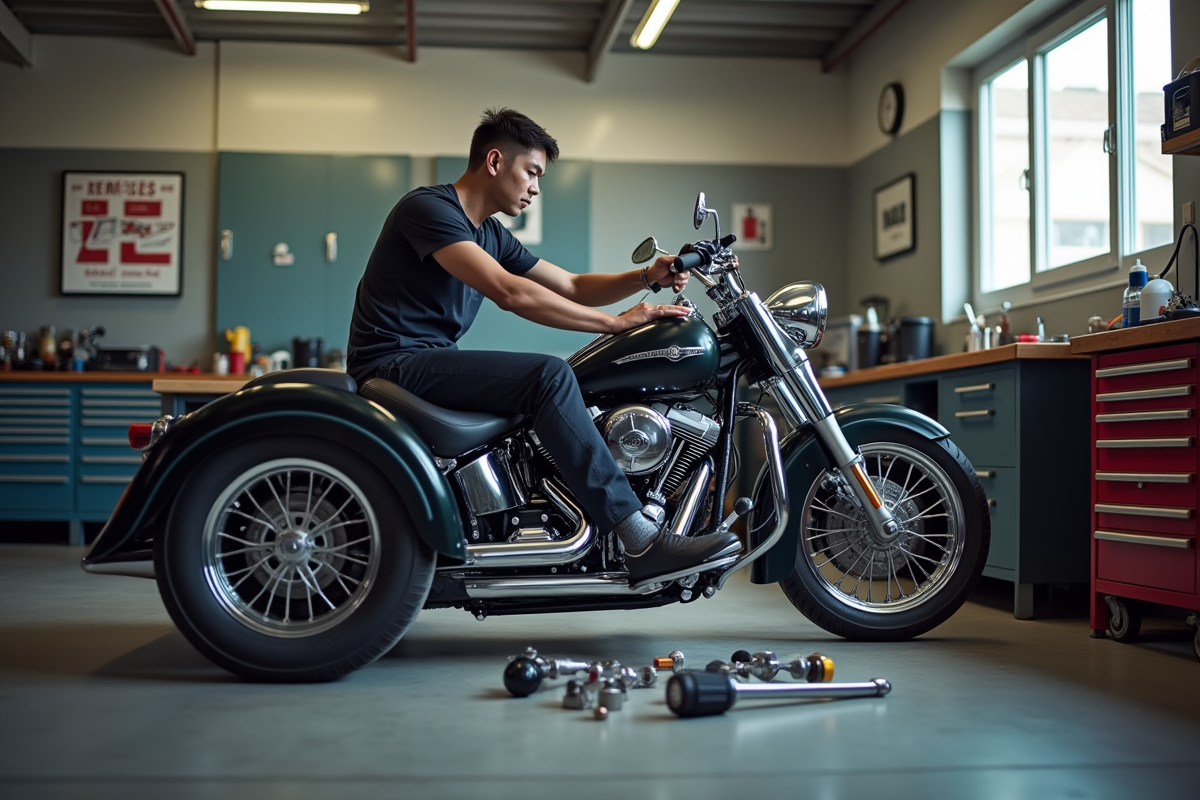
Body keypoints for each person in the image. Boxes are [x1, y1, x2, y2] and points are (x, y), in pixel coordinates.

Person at [347, 107, 741, 585]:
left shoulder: (489, 233)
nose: (536, 187)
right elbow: (510, 292)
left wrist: (645, 276)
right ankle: (641, 539)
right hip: (394, 363)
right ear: (495, 161)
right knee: (549, 375)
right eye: (531, 172)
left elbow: (571, 285)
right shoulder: (429, 209)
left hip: (425, 360)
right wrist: (613, 324)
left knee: (567, 379)